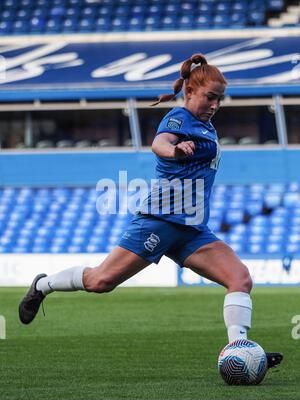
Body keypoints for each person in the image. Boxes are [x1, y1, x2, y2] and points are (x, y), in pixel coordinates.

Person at [19, 53, 282, 369]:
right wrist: (175, 150)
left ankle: (238, 350)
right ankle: (42, 285)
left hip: (192, 228)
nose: (215, 105)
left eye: (219, 100)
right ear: (189, 94)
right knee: (100, 282)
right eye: (209, 98)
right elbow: (159, 143)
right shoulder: (179, 118)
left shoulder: (206, 126)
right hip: (160, 221)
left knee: (240, 278)